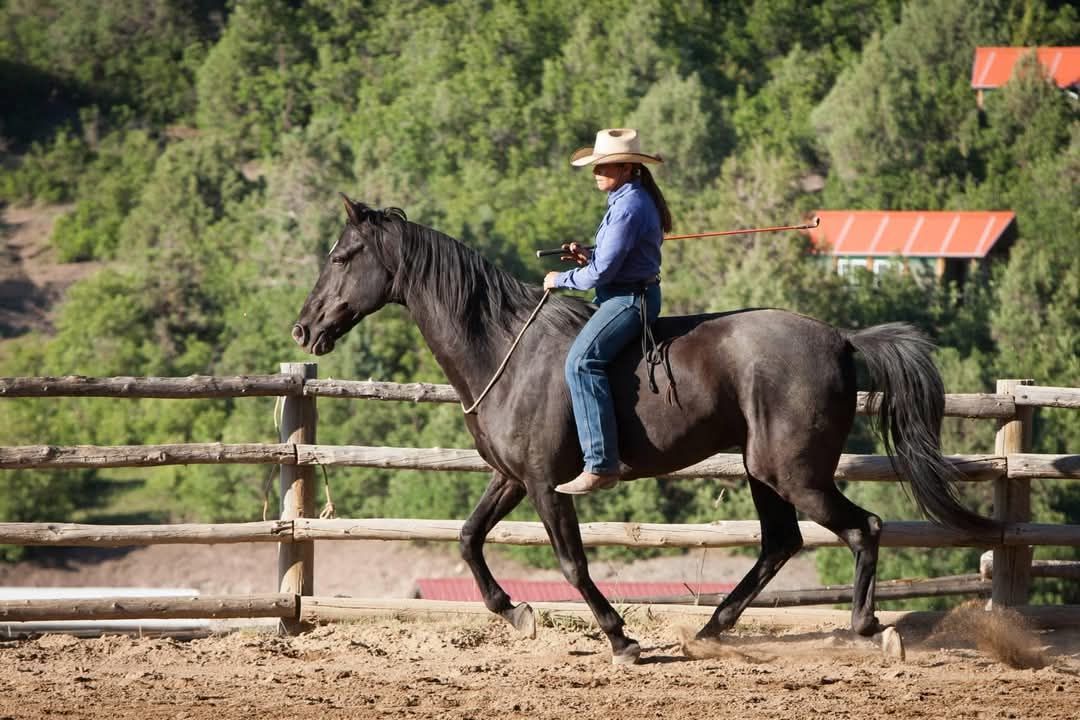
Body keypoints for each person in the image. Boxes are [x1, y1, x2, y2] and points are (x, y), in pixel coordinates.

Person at [543, 128, 672, 495]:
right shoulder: (626, 198)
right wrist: (589, 255)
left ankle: (601, 464)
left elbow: (602, 273)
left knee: (581, 363)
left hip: (629, 299)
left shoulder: (630, 205)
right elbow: (607, 262)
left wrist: (562, 277)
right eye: (596, 165)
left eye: (606, 165)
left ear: (629, 167)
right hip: (620, 292)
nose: (597, 171)